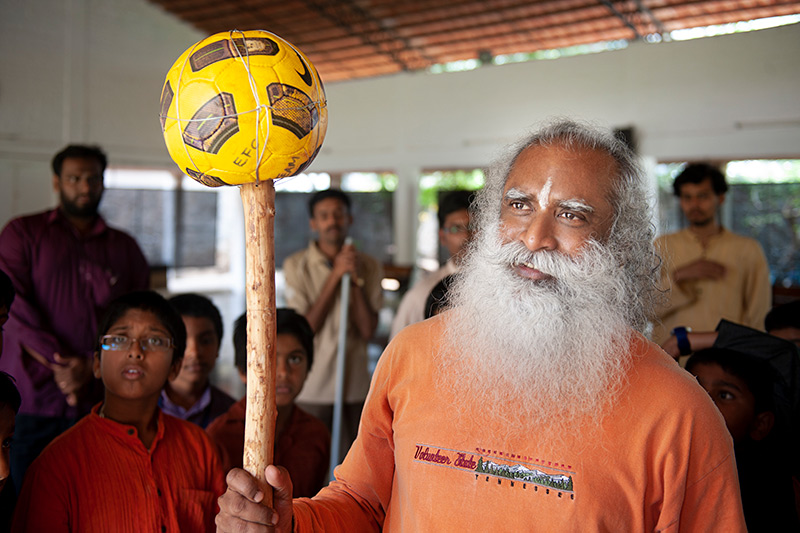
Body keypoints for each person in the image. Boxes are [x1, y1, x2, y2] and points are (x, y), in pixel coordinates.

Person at [216, 119, 746, 531]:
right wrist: (292, 524)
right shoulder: (412, 355)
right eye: (519, 205)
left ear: (621, 246)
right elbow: (362, 503)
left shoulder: (680, 414)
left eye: (573, 214)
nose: (535, 236)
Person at [0, 144, 149, 492]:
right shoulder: (22, 234)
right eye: (74, 178)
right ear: (56, 182)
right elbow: (14, 309)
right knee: (24, 500)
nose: (85, 187)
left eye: (93, 179)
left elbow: (138, 317)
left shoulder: (124, 247)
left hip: (100, 398)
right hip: (31, 400)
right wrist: (62, 364)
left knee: (93, 496)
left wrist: (90, 364)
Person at [12, 291, 224, 532]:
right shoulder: (55, 466)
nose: (135, 351)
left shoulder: (200, 447)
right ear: (96, 364)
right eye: (119, 339)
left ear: (174, 368)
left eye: (154, 341)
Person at [282, 189, 383, 463]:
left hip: (355, 387)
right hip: (313, 387)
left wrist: (353, 278)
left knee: (350, 465)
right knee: (310, 463)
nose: (332, 221)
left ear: (349, 219)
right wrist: (335, 276)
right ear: (313, 223)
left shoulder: (370, 266)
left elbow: (368, 330)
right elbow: (305, 329)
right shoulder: (296, 266)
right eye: (324, 216)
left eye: (338, 214)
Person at [206, 309, 330, 498]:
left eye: (295, 359)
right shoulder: (219, 436)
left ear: (309, 366)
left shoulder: (317, 435)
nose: (283, 372)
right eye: (269, 359)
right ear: (242, 371)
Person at [652, 163, 771, 346]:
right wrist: (680, 275)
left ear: (720, 198)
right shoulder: (662, 245)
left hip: (727, 359)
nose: (695, 205)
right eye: (687, 197)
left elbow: (759, 315)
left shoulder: (748, 249)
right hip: (671, 362)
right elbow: (647, 310)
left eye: (703, 196)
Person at [686, 347, 800, 531]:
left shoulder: (765, 491)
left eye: (725, 395)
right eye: (694, 388)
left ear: (760, 424)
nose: (703, 401)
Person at [389, 190, 473, 339]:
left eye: (474, 226)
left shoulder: (506, 288)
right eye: (455, 229)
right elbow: (399, 352)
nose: (466, 236)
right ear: (442, 236)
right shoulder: (421, 295)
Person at [161, 293, 235, 428]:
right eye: (182, 341)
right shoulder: (140, 409)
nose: (194, 352)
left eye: (206, 341)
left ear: (218, 346)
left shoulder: (232, 414)